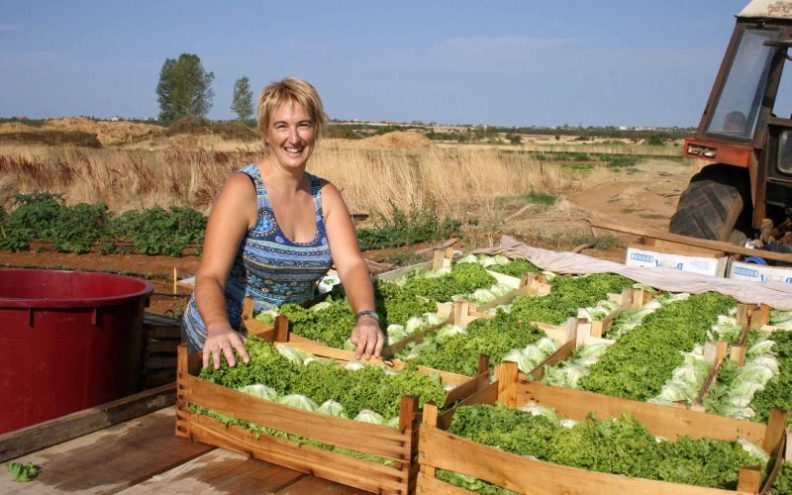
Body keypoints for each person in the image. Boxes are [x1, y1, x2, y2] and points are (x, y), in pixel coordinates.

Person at [182, 77, 384, 369]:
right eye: (282, 126)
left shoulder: (325, 196)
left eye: (303, 124)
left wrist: (367, 317)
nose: (294, 138)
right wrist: (218, 326)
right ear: (266, 132)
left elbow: (352, 265)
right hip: (225, 342)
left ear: (316, 129)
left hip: (286, 342)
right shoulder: (245, 189)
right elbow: (210, 275)